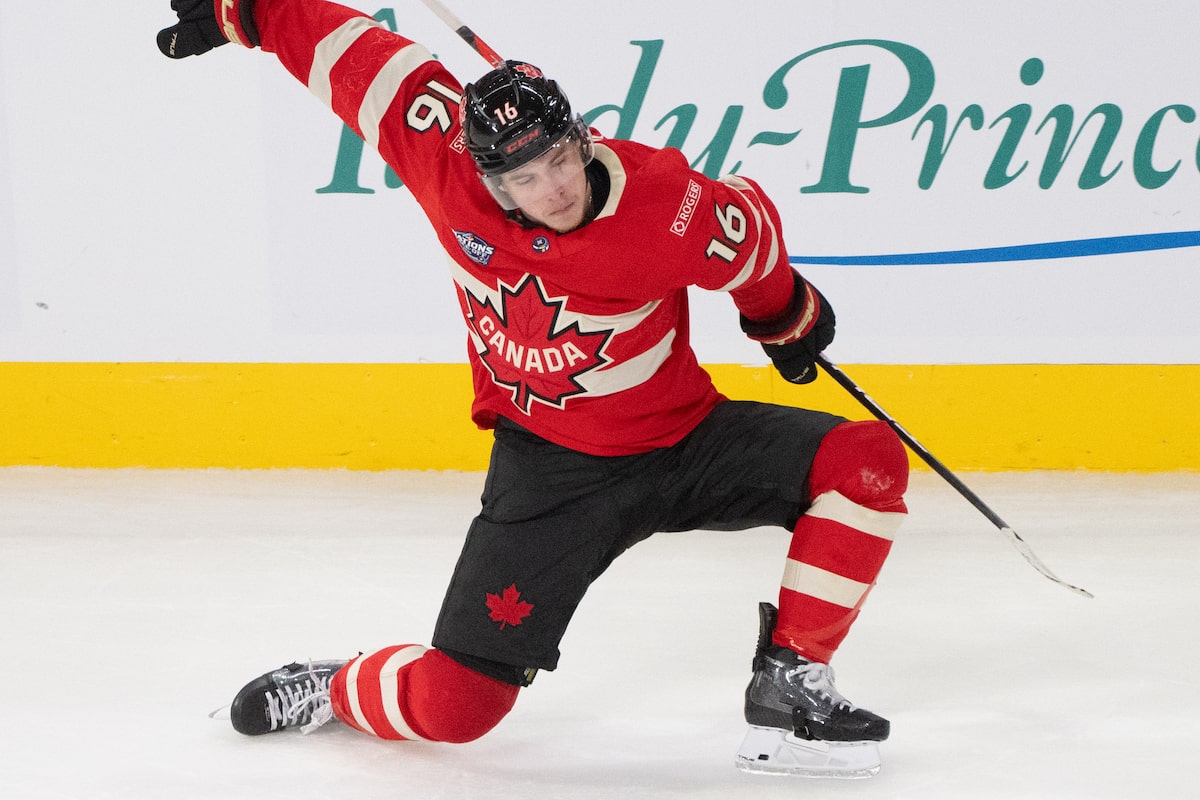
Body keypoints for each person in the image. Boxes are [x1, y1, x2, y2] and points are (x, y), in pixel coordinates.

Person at [158, 0, 910, 777]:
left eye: (558, 158)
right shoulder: (442, 162)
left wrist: (783, 314)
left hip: (686, 440)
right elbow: (358, 60)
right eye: (524, 175)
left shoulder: (665, 205)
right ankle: (338, 688)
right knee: (456, 711)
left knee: (866, 460)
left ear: (580, 138)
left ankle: (792, 684)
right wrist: (246, 10)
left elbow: (751, 238)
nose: (553, 188)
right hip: (552, 474)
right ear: (487, 174)